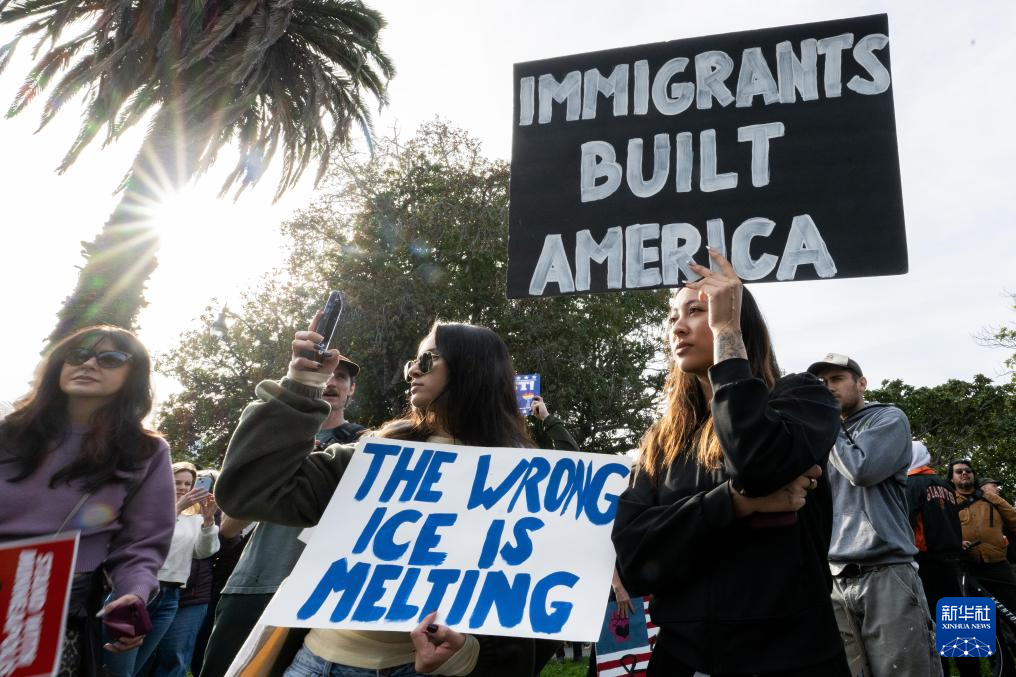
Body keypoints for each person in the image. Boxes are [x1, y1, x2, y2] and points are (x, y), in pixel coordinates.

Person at [216, 319, 578, 677]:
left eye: (427, 360)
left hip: (416, 668)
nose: (412, 372)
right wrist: (301, 385)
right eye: (412, 363)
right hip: (311, 661)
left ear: (473, 367)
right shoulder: (377, 453)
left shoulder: (524, 477)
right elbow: (248, 491)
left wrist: (468, 656)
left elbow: (535, 603)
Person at [611, 249, 849, 676]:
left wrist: (726, 333)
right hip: (683, 659)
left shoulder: (801, 399)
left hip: (793, 657)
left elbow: (756, 463)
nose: (677, 326)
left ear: (738, 318)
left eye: (697, 311)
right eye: (672, 317)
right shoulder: (662, 442)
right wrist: (737, 503)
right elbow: (635, 556)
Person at [0, 325, 175, 676]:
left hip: (50, 611)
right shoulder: (8, 434)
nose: (89, 364)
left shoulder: (145, 451)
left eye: (110, 358)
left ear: (133, 375)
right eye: (78, 355)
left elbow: (141, 544)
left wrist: (133, 594)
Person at [200, 355, 366, 677]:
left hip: (323, 591)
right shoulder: (270, 438)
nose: (332, 382)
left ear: (352, 390)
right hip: (256, 580)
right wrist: (279, 473)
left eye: (341, 377)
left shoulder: (368, 446)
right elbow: (230, 526)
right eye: (325, 374)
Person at [808, 352, 940, 676]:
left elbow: (861, 469)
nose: (828, 387)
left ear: (862, 383)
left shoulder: (888, 418)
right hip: (835, 575)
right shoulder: (821, 435)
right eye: (822, 383)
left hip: (886, 571)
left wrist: (826, 424)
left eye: (837, 379)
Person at [104, 461, 220, 675]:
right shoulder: (146, 509)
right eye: (177, 482)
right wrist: (177, 508)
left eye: (188, 483)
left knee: (137, 668)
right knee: (119, 669)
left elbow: (203, 552)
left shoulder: (193, 519)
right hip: (138, 592)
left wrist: (208, 520)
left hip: (170, 598)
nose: (183, 488)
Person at [907, 441, 976, 677]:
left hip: (924, 562)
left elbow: (906, 522)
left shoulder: (910, 484)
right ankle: (973, 671)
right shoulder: (945, 485)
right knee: (959, 623)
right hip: (951, 560)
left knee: (932, 625)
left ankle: (942, 671)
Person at [949, 459, 1016, 614]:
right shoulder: (947, 502)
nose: (964, 473)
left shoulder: (991, 498)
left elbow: (1014, 520)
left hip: (998, 565)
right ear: (951, 478)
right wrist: (956, 542)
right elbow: (940, 530)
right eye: (959, 471)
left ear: (974, 475)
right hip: (967, 568)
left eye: (968, 471)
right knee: (979, 619)